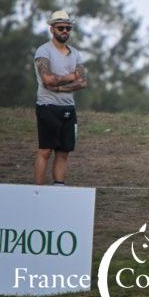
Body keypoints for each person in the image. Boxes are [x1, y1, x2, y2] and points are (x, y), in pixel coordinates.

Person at [33, 10, 88, 185]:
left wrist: (59, 87)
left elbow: (82, 81)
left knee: (64, 151)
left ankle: (59, 188)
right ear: (52, 29)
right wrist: (70, 77)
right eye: (61, 27)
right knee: (46, 150)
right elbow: (47, 79)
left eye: (68, 28)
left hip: (68, 107)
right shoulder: (44, 51)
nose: (65, 31)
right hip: (47, 106)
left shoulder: (75, 53)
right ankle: (38, 191)